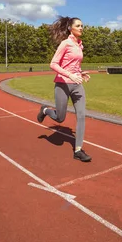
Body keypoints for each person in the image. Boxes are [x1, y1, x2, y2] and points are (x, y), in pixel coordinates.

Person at [37, 16, 92, 162]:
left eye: (82, 26)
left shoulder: (80, 45)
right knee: (60, 118)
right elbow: (53, 64)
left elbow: (74, 65)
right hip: (62, 84)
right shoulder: (65, 44)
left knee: (81, 116)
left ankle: (78, 150)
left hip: (77, 85)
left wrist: (80, 73)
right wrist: (70, 75)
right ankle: (45, 110)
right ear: (70, 28)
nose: (81, 28)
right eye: (78, 26)